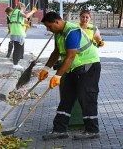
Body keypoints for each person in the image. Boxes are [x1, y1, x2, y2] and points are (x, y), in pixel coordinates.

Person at [39, 11, 101, 140]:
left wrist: (57, 76)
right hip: (74, 68)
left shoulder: (72, 32)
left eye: (49, 26)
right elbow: (56, 52)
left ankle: (92, 130)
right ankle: (59, 130)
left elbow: (70, 56)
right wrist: (46, 68)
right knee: (67, 98)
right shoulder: (59, 33)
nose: (48, 29)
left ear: (57, 22)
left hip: (89, 66)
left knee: (87, 97)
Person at [9, 2, 36, 70]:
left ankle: (15, 62)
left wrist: (25, 23)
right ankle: (15, 64)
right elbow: (26, 16)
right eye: (23, 9)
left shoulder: (13, 13)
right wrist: (33, 11)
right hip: (19, 33)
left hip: (13, 32)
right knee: (18, 49)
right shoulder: (18, 12)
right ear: (21, 7)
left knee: (16, 49)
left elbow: (23, 20)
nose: (24, 10)